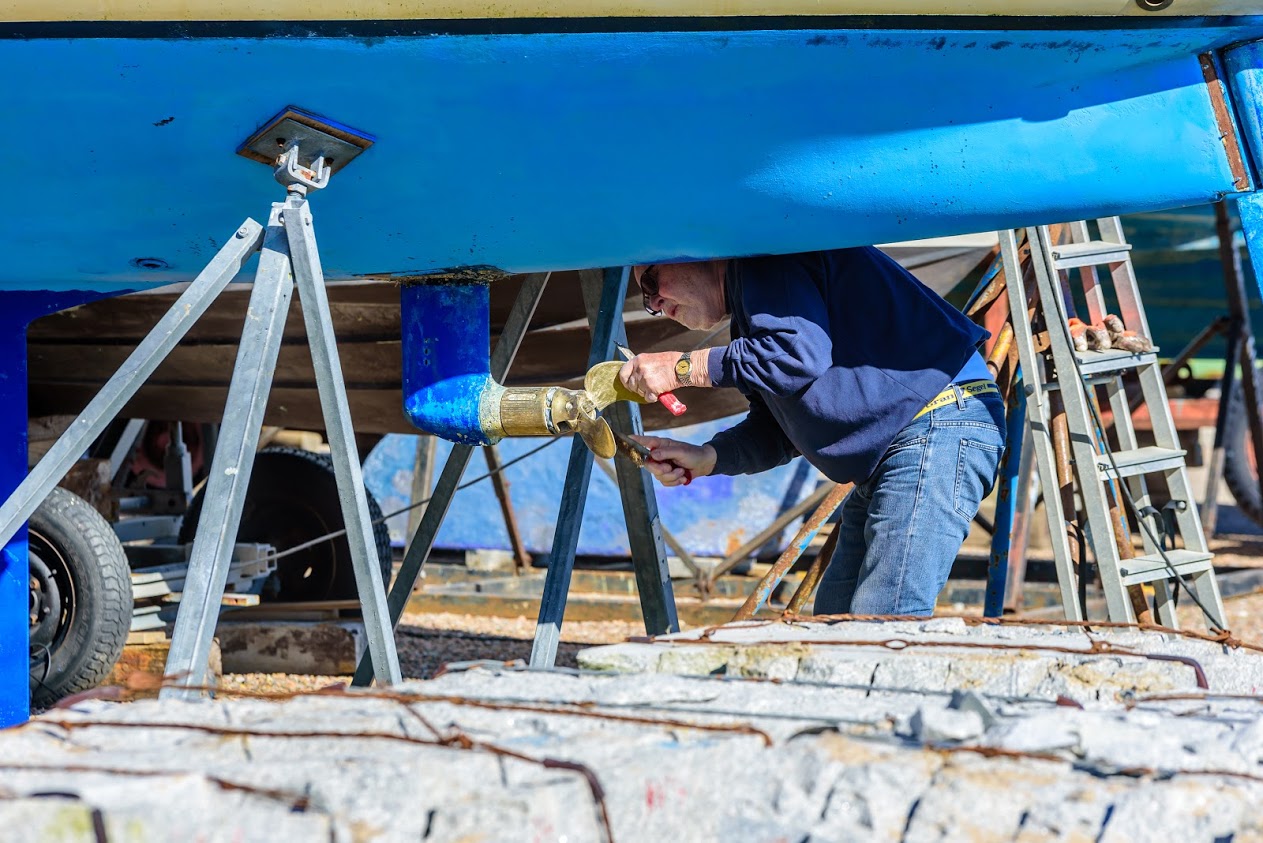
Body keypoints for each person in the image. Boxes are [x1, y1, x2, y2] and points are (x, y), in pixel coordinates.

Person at [618, 248, 1005, 617]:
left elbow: (793, 357)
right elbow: (779, 429)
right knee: (836, 627)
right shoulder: (754, 316)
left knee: (881, 628)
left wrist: (682, 367)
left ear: (698, 252)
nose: (654, 304)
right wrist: (708, 458)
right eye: (646, 300)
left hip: (934, 425)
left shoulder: (768, 257)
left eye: (651, 283)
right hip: (902, 443)